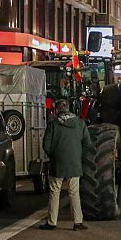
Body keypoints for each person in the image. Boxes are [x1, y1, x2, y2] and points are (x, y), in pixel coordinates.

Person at [40, 99, 92, 231]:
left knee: (54, 191)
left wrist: (54, 154)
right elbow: (88, 144)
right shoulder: (80, 124)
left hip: (57, 164)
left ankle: (52, 222)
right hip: (74, 163)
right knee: (74, 192)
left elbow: (46, 144)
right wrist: (78, 155)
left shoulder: (53, 124)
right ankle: (77, 222)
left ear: (57, 110)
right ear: (69, 109)